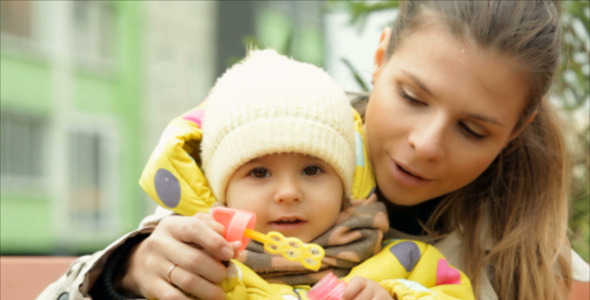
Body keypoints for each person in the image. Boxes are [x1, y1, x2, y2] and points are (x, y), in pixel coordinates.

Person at [39, 1, 589, 300]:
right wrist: (127, 273)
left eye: (473, 130)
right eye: (412, 97)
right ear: (379, 60)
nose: (426, 144)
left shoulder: (523, 255)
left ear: (517, 130)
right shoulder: (268, 143)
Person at [152, 48, 472, 299]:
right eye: (260, 172)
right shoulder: (200, 269)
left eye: (312, 169)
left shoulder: (409, 263)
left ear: (345, 185)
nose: (288, 192)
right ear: (221, 191)